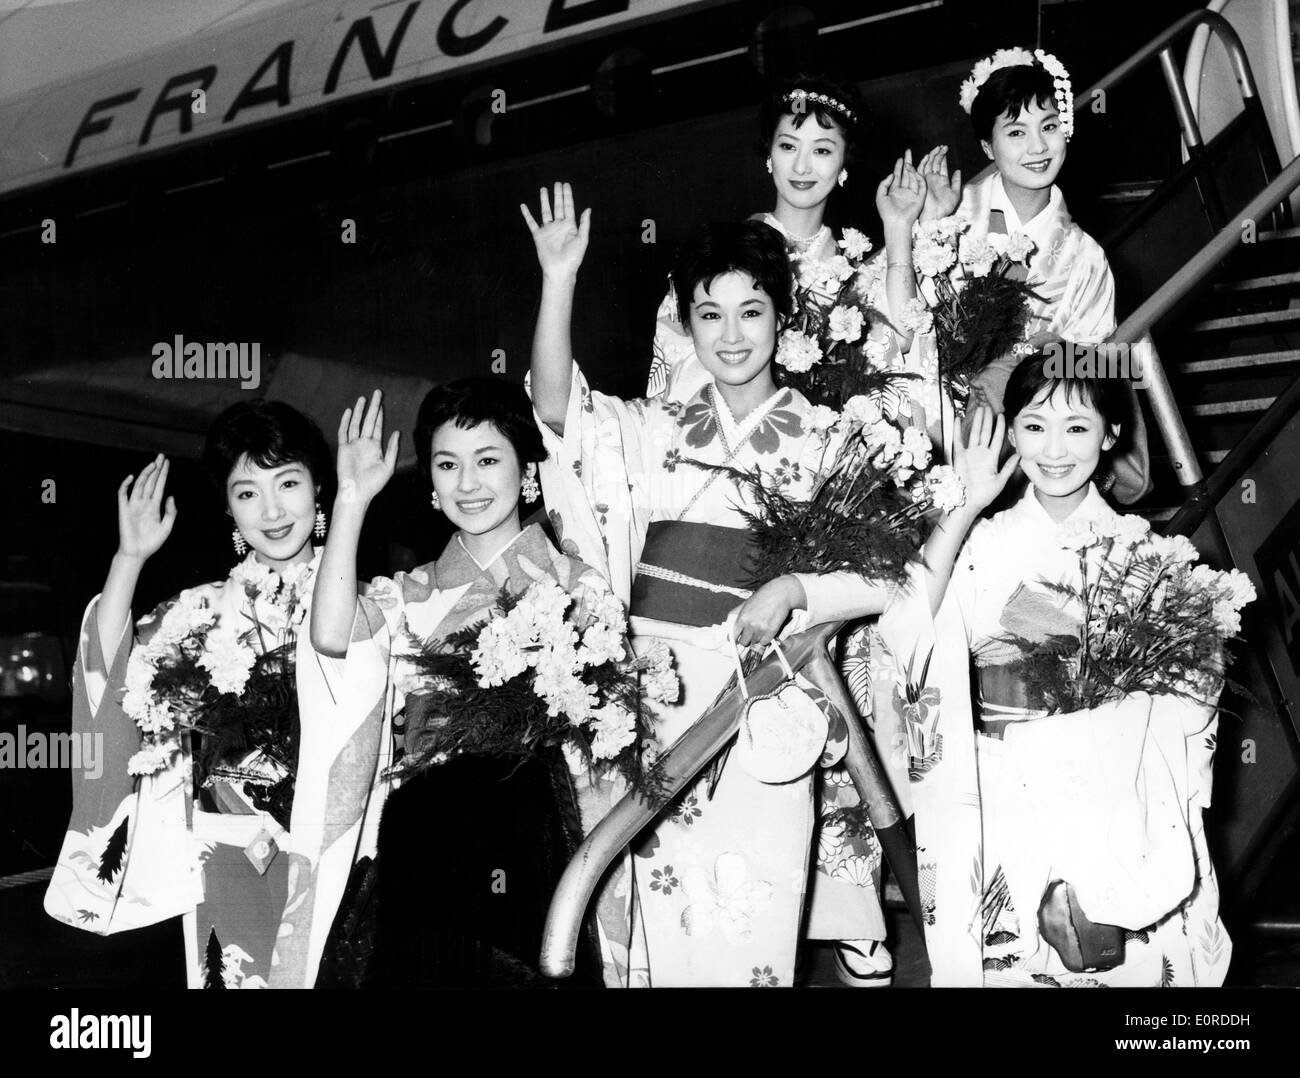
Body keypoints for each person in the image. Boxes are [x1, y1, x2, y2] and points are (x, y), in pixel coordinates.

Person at [523, 183, 922, 986]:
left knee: (753, 921)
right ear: (687, 324)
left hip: (764, 696)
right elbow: (561, 414)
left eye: (751, 310)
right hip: (658, 691)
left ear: (784, 317)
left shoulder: (828, 436)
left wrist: (799, 591)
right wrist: (559, 278)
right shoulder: (656, 426)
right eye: (709, 314)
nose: (731, 334)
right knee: (652, 926)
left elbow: (889, 574)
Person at [875, 354, 1229, 986]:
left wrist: (1107, 709)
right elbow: (906, 631)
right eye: (1035, 426)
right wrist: (965, 504)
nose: (1055, 449)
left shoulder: (1146, 550)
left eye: (1078, 427)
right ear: (1010, 433)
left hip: (1113, 793)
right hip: (998, 786)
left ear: (1111, 434)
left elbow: (1194, 700)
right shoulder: (981, 541)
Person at [308, 380, 644, 987]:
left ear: (526, 470)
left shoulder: (578, 589)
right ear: (431, 485)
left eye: (488, 460)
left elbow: (610, 755)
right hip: (429, 840)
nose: (467, 483)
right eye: (447, 465)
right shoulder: (412, 594)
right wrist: (352, 498)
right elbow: (331, 635)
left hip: (540, 846)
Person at [43, 401, 376, 989]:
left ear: (320, 490)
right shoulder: (198, 612)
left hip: (342, 856)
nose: (272, 511)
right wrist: (129, 559)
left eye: (289, 483)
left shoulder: (376, 606)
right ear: (227, 506)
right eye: (247, 493)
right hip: (230, 863)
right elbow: (110, 672)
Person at [915, 47, 1151, 503]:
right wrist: (925, 228)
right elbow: (905, 320)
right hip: (931, 425)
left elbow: (1094, 366)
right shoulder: (950, 214)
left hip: (1032, 441)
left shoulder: (1085, 257)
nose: (1038, 147)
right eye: (1016, 131)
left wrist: (1031, 361)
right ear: (987, 146)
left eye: (1049, 127)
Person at [646, 75, 927, 422]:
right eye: (788, 146)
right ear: (769, 153)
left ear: (844, 162)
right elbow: (681, 372)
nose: (801, 166)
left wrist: (899, 227)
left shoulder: (857, 272)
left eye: (822, 150)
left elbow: (904, 342)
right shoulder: (715, 257)